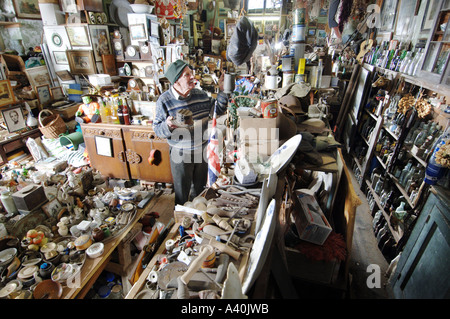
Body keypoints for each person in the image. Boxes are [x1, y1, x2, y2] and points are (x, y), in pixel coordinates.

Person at [153, 59, 228, 205]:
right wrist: (168, 126)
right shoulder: (164, 101)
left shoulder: (200, 95)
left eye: (191, 74)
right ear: (176, 81)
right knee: (182, 195)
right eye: (187, 75)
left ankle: (196, 221)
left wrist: (222, 90)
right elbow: (157, 129)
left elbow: (218, 110)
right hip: (180, 155)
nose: (192, 77)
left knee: (199, 193)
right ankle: (180, 223)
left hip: (201, 151)